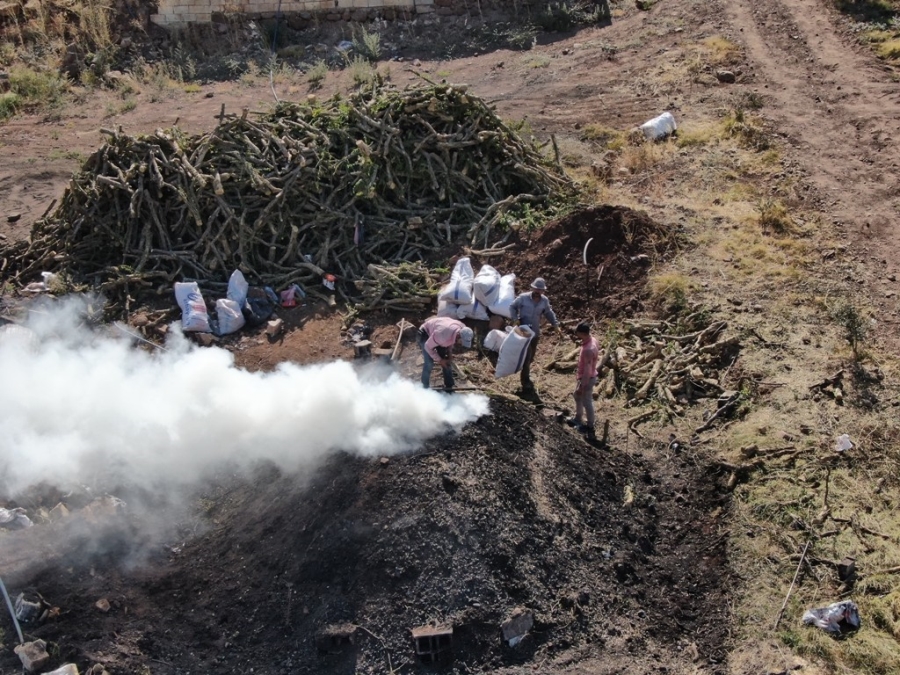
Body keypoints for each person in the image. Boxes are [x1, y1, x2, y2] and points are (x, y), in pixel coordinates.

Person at [509, 277, 560, 393]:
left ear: (543, 291)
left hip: (535, 333)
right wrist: (515, 319)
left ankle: (524, 370)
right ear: (532, 288)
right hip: (524, 332)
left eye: (540, 290)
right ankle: (525, 381)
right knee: (527, 357)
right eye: (536, 289)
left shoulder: (544, 301)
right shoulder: (523, 298)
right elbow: (512, 307)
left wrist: (555, 325)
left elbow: (548, 313)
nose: (538, 292)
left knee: (531, 357)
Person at [417, 316, 474, 391]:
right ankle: (424, 387)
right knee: (429, 363)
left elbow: (451, 340)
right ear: (458, 336)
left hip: (438, 332)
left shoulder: (462, 328)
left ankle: (449, 385)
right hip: (425, 333)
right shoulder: (442, 336)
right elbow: (427, 346)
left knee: (447, 361)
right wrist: (440, 360)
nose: (461, 344)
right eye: (462, 341)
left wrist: (449, 354)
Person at [567, 322, 599, 439]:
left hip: (587, 378)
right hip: (585, 377)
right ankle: (578, 418)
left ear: (583, 333)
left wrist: (582, 386)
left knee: (587, 401)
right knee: (577, 396)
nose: (576, 334)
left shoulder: (588, 350)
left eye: (578, 333)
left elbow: (587, 369)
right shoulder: (593, 340)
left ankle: (590, 425)